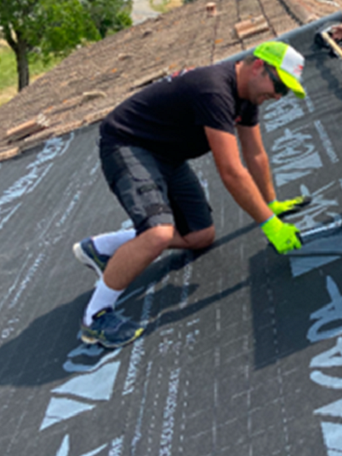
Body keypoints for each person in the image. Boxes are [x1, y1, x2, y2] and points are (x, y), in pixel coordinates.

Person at [73, 41, 309, 349]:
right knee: (158, 233)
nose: (278, 96)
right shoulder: (213, 90)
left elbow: (256, 154)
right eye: (278, 85)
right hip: (129, 144)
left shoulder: (248, 97)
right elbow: (231, 171)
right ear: (257, 67)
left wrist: (271, 203)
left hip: (166, 154)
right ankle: (96, 318)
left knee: (199, 235)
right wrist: (269, 224)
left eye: (286, 92)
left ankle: (101, 248)